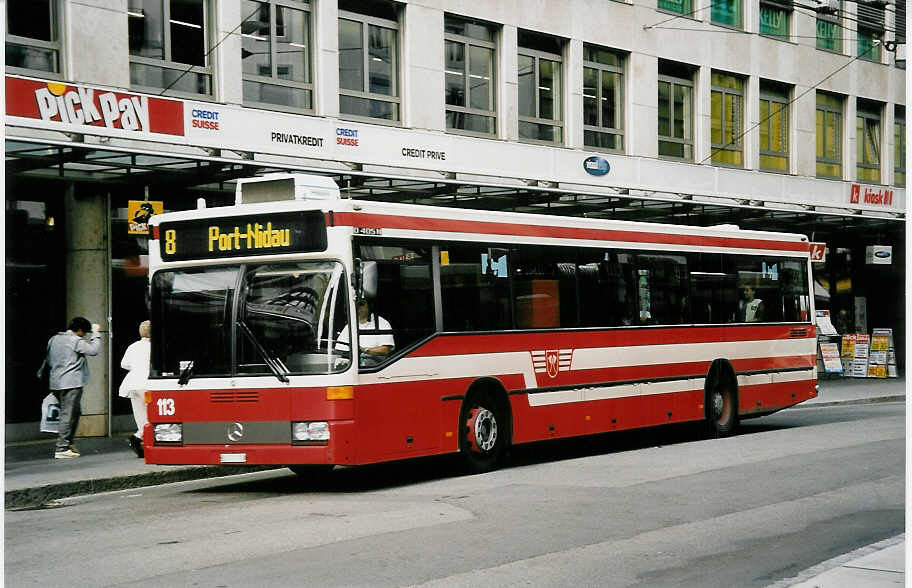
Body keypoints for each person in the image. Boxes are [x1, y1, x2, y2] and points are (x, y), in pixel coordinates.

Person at [38, 317, 103, 459]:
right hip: (71, 382)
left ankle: (68, 442)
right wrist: (96, 333)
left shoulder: (53, 339)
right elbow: (94, 350)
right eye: (84, 333)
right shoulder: (75, 340)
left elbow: (49, 360)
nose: (84, 336)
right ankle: (62, 447)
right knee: (68, 414)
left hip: (55, 382)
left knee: (74, 412)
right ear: (79, 331)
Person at [119, 320, 151, 458]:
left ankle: (139, 436)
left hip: (132, 383)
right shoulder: (154, 347)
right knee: (151, 413)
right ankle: (139, 437)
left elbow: (124, 364)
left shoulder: (133, 346)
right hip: (147, 384)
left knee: (140, 414)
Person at [338, 299, 394, 365]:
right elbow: (339, 347)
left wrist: (364, 350)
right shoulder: (351, 324)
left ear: (370, 306)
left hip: (375, 363)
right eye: (356, 305)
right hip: (352, 360)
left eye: (361, 304)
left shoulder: (382, 323)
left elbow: (386, 350)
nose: (358, 307)